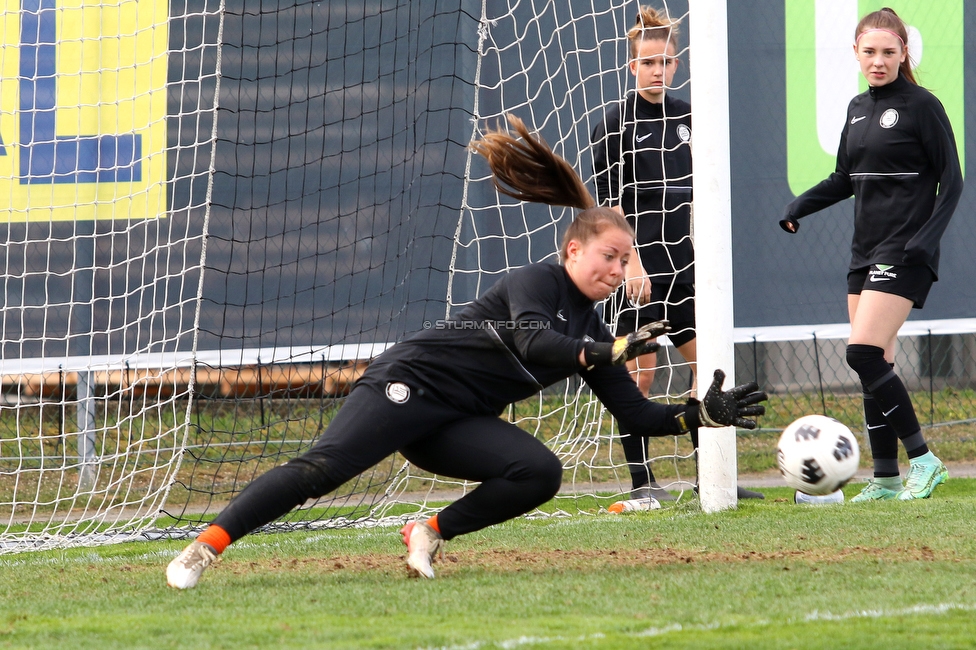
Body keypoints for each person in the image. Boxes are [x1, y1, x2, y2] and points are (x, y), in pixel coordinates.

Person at [166, 115, 768, 588]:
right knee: (322, 472)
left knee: (539, 473)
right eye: (608, 255)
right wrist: (605, 350)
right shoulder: (534, 283)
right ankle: (206, 546)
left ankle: (428, 530)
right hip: (407, 386)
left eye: (625, 258)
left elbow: (638, 416)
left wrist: (700, 414)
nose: (619, 268)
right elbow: (536, 341)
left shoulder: (593, 330)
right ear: (571, 252)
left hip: (453, 421)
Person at [780, 7, 962, 502]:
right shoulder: (857, 108)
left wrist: (927, 239)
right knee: (874, 361)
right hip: (865, 253)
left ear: (905, 53)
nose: (878, 60)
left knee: (860, 352)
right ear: (856, 54)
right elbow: (844, 178)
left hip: (905, 251)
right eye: (870, 52)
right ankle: (885, 478)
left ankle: (924, 461)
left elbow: (954, 180)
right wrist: (802, 205)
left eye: (888, 51)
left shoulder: (923, 106)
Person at [591, 6, 762, 502]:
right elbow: (610, 209)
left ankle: (712, 477)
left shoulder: (691, 117)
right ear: (631, 66)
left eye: (665, 63)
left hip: (684, 269)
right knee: (636, 376)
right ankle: (643, 484)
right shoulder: (614, 126)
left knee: (707, 368)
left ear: (676, 64)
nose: (657, 72)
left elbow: (700, 194)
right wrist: (632, 265)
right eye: (647, 63)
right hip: (638, 273)